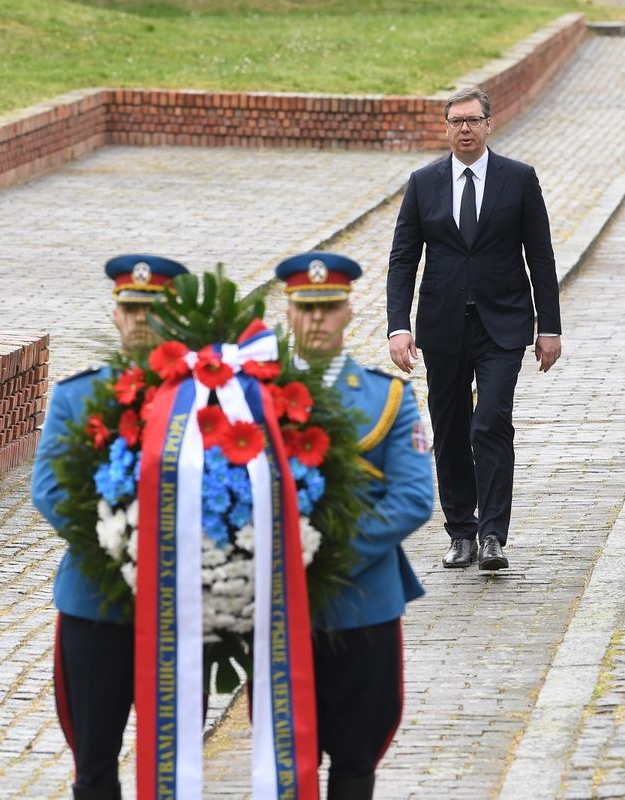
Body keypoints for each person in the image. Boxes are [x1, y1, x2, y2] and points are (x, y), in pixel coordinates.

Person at [276, 251, 434, 800]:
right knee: (284, 764)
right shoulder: (253, 399)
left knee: (355, 759)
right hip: (277, 614)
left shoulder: (388, 397)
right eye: (306, 308)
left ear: (347, 313)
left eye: (329, 307)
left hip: (362, 604)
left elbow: (413, 498)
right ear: (289, 313)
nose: (317, 319)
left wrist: (326, 551)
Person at [386, 86, 562, 572]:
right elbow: (403, 259)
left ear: (488, 125)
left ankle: (492, 537)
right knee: (449, 428)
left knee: (490, 422)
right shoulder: (423, 183)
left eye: (472, 120)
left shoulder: (518, 179)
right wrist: (398, 327)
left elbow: (540, 256)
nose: (464, 129)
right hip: (442, 327)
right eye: (456, 122)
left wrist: (549, 326)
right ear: (446, 129)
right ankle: (461, 531)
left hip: (502, 325)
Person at [32, 254, 188, 800]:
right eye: (131, 309)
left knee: (172, 765)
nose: (141, 320)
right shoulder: (79, 396)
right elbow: (49, 491)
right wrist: (122, 544)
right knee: (95, 765)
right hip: (95, 602)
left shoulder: (206, 401)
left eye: (154, 310)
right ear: (116, 315)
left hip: (178, 605)